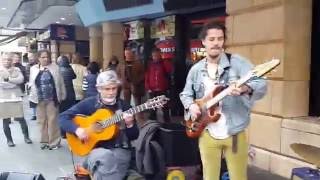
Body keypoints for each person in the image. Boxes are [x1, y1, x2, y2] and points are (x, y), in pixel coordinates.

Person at [179, 22, 267, 180]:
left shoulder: (237, 62)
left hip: (233, 133)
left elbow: (261, 83)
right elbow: (185, 94)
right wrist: (191, 105)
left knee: (238, 177)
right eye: (211, 39)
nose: (216, 43)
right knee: (209, 177)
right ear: (204, 42)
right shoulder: (196, 69)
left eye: (220, 39)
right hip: (206, 132)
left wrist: (244, 88)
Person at [59, 70, 139, 180]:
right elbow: (62, 117)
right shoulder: (90, 103)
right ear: (99, 89)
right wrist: (77, 129)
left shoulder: (125, 106)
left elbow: (134, 136)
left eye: (114, 88)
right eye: (107, 89)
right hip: (96, 149)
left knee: (105, 170)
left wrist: (130, 124)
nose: (111, 92)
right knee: (104, 158)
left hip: (120, 149)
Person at [29, 49, 66, 150]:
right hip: (38, 99)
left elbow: (61, 83)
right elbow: (31, 83)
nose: (46, 59)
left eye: (47, 57)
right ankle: (44, 141)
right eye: (43, 57)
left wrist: (62, 95)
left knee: (53, 120)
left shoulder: (55, 68)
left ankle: (54, 142)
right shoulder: (33, 69)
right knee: (41, 121)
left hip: (52, 98)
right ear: (38, 58)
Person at [0, 52, 32, 147]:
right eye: (5, 59)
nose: (7, 61)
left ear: (11, 60)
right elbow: (1, 84)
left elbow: (20, 80)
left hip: (16, 97)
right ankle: (9, 140)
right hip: (3, 98)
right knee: (5, 120)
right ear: (2, 60)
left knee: (21, 118)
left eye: (9, 59)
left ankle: (26, 137)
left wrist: (9, 80)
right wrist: (13, 83)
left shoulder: (17, 69)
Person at [145, 48, 172, 123]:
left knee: (165, 108)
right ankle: (152, 124)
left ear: (160, 55)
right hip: (153, 90)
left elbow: (169, 70)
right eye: (154, 56)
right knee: (153, 109)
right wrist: (148, 87)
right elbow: (147, 76)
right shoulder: (150, 65)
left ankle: (167, 124)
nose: (155, 57)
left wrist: (165, 61)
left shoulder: (164, 63)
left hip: (163, 89)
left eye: (157, 55)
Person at [26, 52, 38, 120]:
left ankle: (38, 113)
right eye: (29, 58)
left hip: (37, 84)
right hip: (31, 84)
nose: (30, 59)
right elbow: (27, 74)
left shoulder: (38, 65)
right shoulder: (28, 66)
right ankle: (34, 114)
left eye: (31, 57)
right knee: (32, 100)